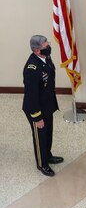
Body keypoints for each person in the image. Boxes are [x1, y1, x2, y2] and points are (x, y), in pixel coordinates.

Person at [22, 35, 64, 177]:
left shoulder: (46, 58)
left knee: (48, 133)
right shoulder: (32, 69)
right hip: (36, 109)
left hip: (47, 105)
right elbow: (31, 96)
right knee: (40, 136)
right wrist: (37, 117)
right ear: (37, 50)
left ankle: (48, 155)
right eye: (46, 47)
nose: (49, 48)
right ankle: (42, 163)